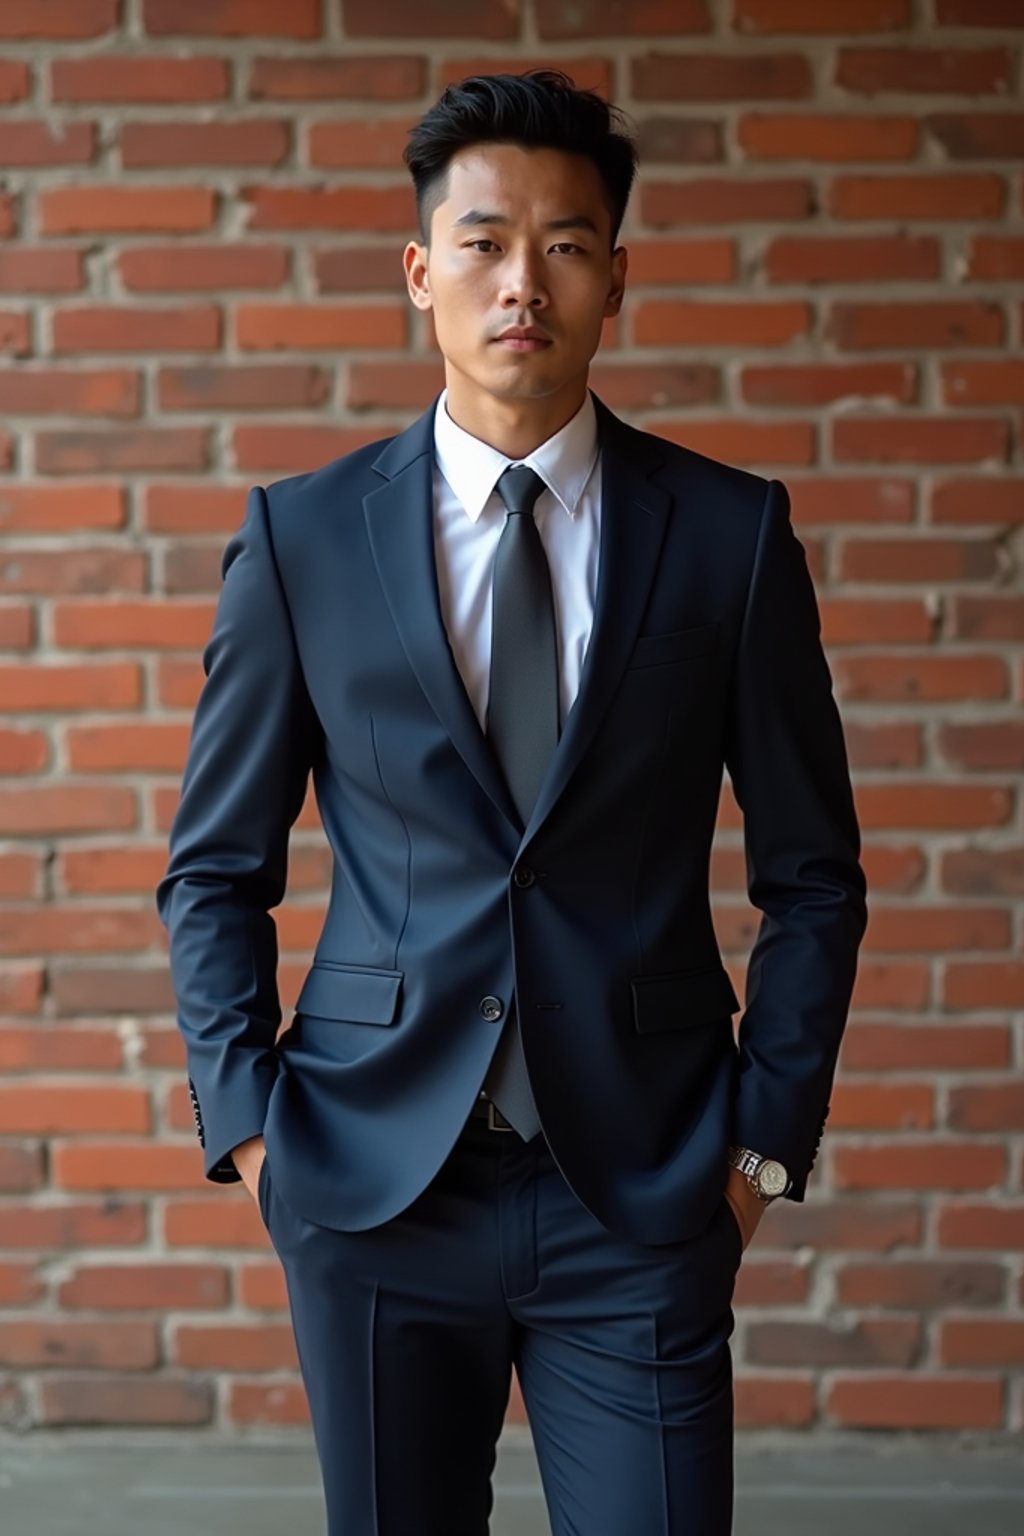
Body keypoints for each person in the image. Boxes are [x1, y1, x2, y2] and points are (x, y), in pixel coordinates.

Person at [156, 70, 867, 1536]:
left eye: (566, 243)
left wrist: (762, 1148)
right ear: (422, 274)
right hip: (369, 1186)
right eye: (482, 243)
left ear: (617, 276)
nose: (521, 282)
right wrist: (251, 1131)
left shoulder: (730, 537)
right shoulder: (302, 540)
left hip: (650, 1188)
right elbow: (216, 868)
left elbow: (814, 877)